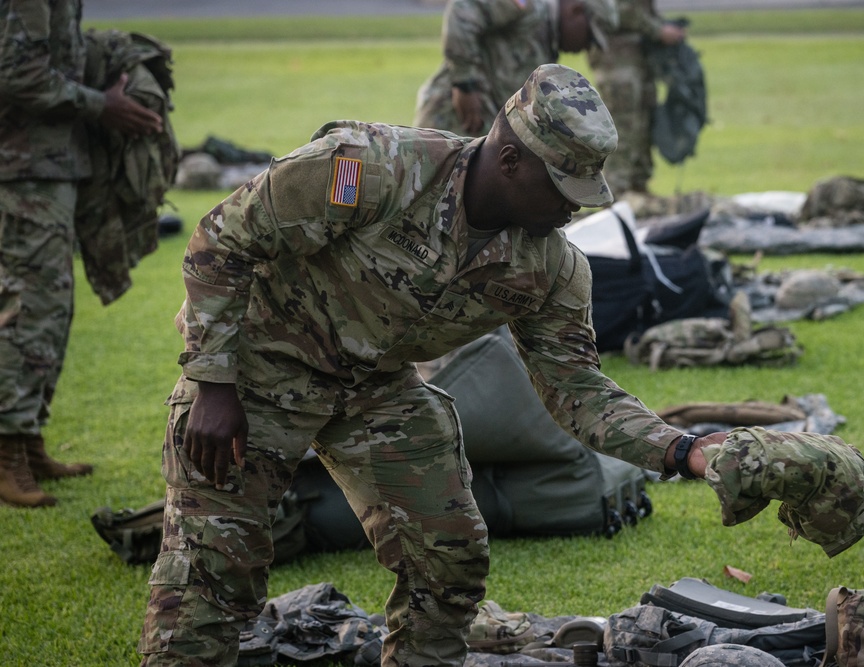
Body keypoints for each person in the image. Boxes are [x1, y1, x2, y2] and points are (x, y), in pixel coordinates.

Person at [137, 63, 726, 667]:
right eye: (562, 189)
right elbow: (221, 241)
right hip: (258, 367)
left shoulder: (553, 269)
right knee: (211, 573)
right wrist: (211, 381)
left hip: (374, 387)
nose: (573, 211)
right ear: (511, 159)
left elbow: (577, 389)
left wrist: (681, 450)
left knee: (449, 557)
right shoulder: (371, 167)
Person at [0, 0, 163, 508]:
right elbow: (17, 71)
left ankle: (29, 442)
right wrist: (100, 103)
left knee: (53, 308)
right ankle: (6, 455)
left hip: (52, 164)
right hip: (24, 168)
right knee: (29, 309)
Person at [414, 0, 617, 137]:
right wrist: (465, 85)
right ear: (576, 10)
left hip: (477, 137)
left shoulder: (545, 38)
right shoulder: (530, 7)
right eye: (590, 36)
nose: (586, 47)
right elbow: (464, 9)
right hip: (450, 124)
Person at [586, 0, 688, 214]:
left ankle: (637, 188)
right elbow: (615, 10)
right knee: (624, 124)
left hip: (638, 58)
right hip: (617, 59)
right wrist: (658, 30)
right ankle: (615, 194)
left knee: (642, 121)